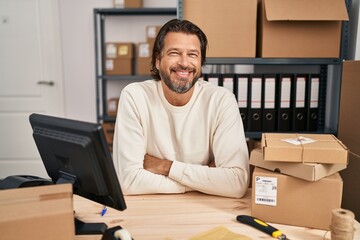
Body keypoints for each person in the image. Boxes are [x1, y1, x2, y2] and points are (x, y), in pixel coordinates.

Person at [113, 19, 249, 198]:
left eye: (193, 54)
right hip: (152, 208)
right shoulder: (135, 96)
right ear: (157, 61)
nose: (184, 63)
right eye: (174, 53)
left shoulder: (221, 100)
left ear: (201, 62)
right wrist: (205, 180)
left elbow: (236, 182)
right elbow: (128, 181)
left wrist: (165, 167)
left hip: (207, 209)